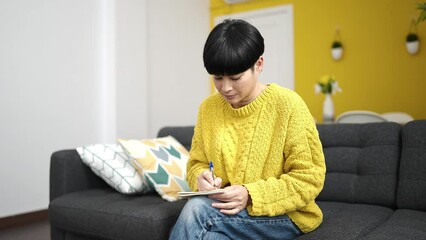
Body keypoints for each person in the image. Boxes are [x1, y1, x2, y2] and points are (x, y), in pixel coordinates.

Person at [169, 19, 326, 240]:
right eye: (217, 78)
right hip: (228, 211)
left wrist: (250, 194)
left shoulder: (288, 105)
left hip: (286, 216)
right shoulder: (208, 109)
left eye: (236, 77)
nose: (226, 88)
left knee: (197, 210)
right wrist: (200, 178)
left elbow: (309, 179)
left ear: (259, 65)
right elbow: (197, 163)